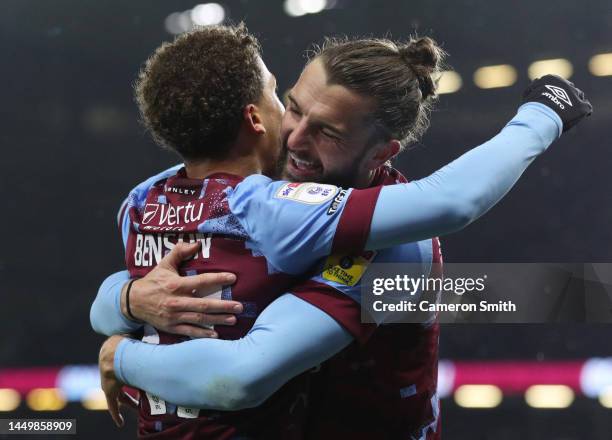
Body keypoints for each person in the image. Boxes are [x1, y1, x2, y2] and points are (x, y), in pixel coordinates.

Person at [91, 24, 592, 439]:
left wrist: (123, 354)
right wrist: (131, 297)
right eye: (291, 107)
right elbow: (125, 284)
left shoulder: (395, 247)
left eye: (326, 131)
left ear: (381, 154)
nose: (295, 139)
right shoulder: (256, 191)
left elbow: (242, 375)